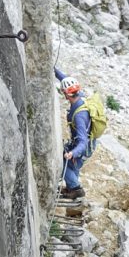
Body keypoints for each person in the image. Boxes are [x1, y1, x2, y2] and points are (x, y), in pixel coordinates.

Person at [55, 67, 93, 197]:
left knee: (64, 162)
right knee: (73, 166)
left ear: (66, 95)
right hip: (85, 142)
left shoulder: (79, 116)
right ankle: (72, 187)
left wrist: (73, 153)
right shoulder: (79, 96)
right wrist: (54, 70)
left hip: (84, 146)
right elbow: (65, 80)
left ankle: (76, 189)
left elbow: (83, 142)